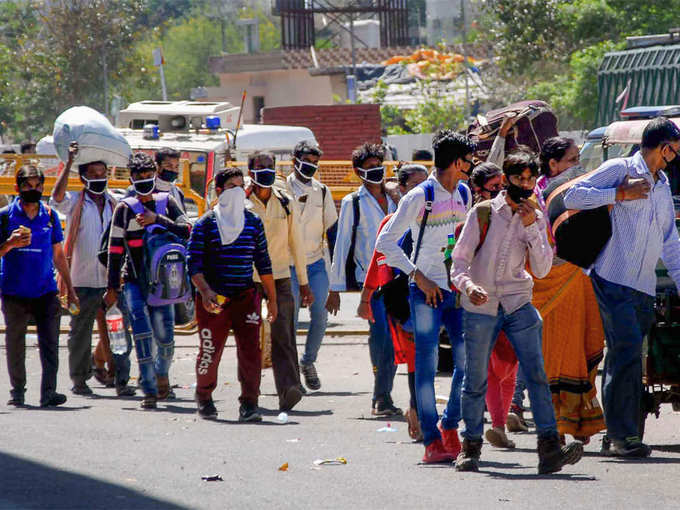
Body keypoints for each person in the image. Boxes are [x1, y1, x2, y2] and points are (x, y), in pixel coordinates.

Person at [452, 151, 584, 474]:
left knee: (537, 375)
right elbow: (459, 262)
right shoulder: (483, 213)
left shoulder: (534, 217)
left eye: (529, 179)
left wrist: (531, 229)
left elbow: (540, 269)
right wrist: (469, 287)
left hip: (518, 302)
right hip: (481, 305)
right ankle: (469, 447)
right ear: (506, 180)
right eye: (518, 179)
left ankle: (549, 448)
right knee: (476, 379)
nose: (524, 185)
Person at [564, 117, 680, 457]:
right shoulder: (620, 167)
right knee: (626, 348)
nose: (677, 156)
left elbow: (669, 240)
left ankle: (619, 432)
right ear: (663, 146)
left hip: (643, 286)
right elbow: (574, 196)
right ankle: (621, 435)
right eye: (675, 149)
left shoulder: (661, 184)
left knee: (628, 356)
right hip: (612, 277)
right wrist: (618, 193)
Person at [376, 130, 474, 463]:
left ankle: (450, 425)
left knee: (467, 362)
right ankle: (432, 440)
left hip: (458, 292)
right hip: (425, 293)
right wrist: (419, 276)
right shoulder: (419, 196)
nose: (471, 166)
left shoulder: (464, 193)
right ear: (457, 162)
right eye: (468, 160)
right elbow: (385, 243)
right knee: (427, 366)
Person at [530, 138, 607, 445]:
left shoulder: (579, 191)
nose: (578, 165)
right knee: (554, 356)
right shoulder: (535, 198)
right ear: (553, 165)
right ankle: (556, 428)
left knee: (586, 345)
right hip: (548, 283)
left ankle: (577, 421)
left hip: (580, 279)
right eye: (573, 159)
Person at [188, 168, 277, 421]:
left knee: (251, 352)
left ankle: (250, 404)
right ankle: (204, 398)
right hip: (214, 300)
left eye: (241, 186)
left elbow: (263, 262)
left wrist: (272, 299)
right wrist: (206, 292)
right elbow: (192, 263)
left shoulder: (253, 222)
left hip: (246, 297)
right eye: (231, 187)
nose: (237, 191)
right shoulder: (205, 223)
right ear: (218, 192)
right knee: (209, 351)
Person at [104, 153, 190, 409]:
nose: (144, 181)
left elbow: (187, 229)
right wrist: (111, 287)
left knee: (165, 338)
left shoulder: (167, 201)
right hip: (133, 282)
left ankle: (162, 372)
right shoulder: (124, 208)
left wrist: (157, 220)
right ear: (131, 179)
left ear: (155, 175)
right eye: (138, 178)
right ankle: (149, 389)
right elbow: (115, 249)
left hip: (164, 283)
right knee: (142, 334)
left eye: (148, 176)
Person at [50, 143, 136, 397]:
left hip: (112, 281)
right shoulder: (75, 202)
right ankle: (79, 380)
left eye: (103, 173)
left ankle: (121, 379)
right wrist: (68, 162)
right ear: (83, 177)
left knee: (118, 332)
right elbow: (56, 197)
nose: (99, 178)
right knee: (80, 333)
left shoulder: (115, 203)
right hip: (82, 280)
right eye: (94, 174)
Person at [358, 163, 429, 440]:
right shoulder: (390, 224)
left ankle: (424, 414)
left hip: (435, 297)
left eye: (425, 186)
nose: (421, 192)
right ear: (401, 189)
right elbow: (378, 263)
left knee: (428, 362)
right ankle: (417, 411)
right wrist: (365, 299)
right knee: (415, 361)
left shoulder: (439, 218)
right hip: (402, 302)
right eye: (414, 186)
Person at [327, 143, 399, 415]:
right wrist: (335, 288)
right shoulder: (352, 203)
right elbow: (342, 244)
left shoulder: (396, 197)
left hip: (399, 278)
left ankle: (384, 395)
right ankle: (382, 398)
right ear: (358, 173)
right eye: (369, 169)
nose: (376, 172)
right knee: (382, 339)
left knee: (394, 340)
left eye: (378, 166)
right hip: (372, 281)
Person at [0, 165, 79, 407]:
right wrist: (10, 244)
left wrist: (70, 290)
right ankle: (18, 392)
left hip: (45, 290)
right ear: (17, 188)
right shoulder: (5, 216)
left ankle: (49, 392)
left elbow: (58, 255)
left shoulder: (50, 215)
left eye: (37, 186)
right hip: (14, 291)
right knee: (15, 343)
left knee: (50, 344)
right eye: (27, 186)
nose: (32, 190)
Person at [246, 151, 313, 411]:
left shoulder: (285, 202)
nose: (266, 171)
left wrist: (304, 282)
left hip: (281, 277)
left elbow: (296, 242)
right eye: (261, 167)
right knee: (250, 337)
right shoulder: (241, 202)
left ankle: (289, 389)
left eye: (270, 166)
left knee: (283, 334)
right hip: (249, 279)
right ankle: (249, 393)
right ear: (250, 171)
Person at [469, 161, 519, 449]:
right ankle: (495, 425)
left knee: (511, 362)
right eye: (494, 186)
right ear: (480, 189)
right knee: (491, 368)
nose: (501, 191)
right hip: (482, 299)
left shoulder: (518, 213)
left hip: (513, 297)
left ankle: (500, 419)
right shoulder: (478, 216)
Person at [286, 140, 338, 392]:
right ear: (295, 159)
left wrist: (338, 267)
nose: (311, 166)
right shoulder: (281, 188)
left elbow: (332, 227)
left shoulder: (322, 190)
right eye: (307, 161)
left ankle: (308, 362)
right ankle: (291, 371)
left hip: (316, 261)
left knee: (320, 315)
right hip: (288, 264)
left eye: (315, 162)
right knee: (291, 319)